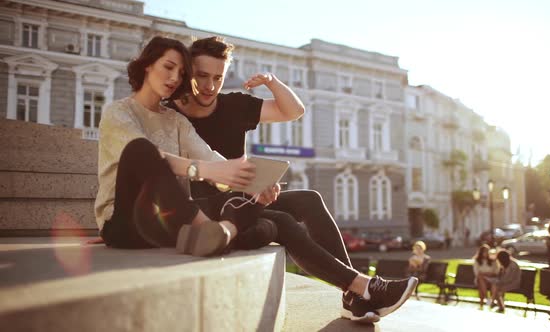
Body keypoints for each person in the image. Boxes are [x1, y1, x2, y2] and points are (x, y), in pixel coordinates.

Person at [166, 36, 418, 323]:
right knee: (280, 221)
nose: (210, 86)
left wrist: (272, 81)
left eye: (218, 77)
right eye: (202, 76)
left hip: (240, 200)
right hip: (204, 211)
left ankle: (354, 296)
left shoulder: (233, 105)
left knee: (309, 198)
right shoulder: (170, 115)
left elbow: (294, 111)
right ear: (187, 72)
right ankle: (363, 288)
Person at [95, 36, 262, 257]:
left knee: (268, 222)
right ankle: (210, 230)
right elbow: (149, 159)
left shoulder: (176, 120)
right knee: (140, 149)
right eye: (168, 67)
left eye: (182, 73)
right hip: (125, 224)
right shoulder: (118, 112)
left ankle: (224, 233)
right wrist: (202, 170)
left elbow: (210, 157)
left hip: (168, 224)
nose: (175, 78)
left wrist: (254, 181)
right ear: (147, 65)